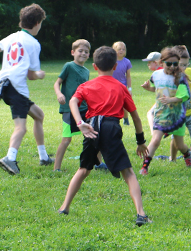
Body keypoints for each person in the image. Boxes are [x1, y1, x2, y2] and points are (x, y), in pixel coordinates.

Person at [57, 46, 150, 226]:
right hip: (111, 127)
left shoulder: (86, 86)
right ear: (115, 66)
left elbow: (72, 101)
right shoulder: (121, 88)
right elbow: (136, 118)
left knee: (83, 169)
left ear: (94, 66)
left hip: (91, 127)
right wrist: (140, 142)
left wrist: (79, 123)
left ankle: (64, 207)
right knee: (128, 172)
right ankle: (141, 214)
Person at [0, 3, 50, 175]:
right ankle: (9, 158)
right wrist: (40, 74)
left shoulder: (11, 37)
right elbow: (31, 75)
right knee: (21, 127)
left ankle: (44, 157)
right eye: (41, 23)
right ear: (36, 23)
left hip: (5, 84)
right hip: (17, 87)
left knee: (39, 115)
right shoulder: (33, 43)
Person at [139, 47, 191, 175]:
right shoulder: (156, 75)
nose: (172, 66)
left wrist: (171, 99)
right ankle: (145, 167)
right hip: (161, 114)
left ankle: (188, 154)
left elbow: (185, 95)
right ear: (161, 63)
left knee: (180, 145)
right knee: (155, 140)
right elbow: (157, 89)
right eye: (169, 63)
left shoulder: (181, 77)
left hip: (177, 117)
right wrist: (148, 88)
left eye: (175, 64)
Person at [52, 39, 91, 172]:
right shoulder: (68, 66)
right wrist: (59, 94)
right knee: (66, 140)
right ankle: (56, 168)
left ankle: (98, 164)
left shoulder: (86, 71)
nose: (83, 54)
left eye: (86, 52)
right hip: (68, 109)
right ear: (73, 52)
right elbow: (57, 83)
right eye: (80, 51)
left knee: (94, 135)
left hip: (84, 109)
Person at [167, 46, 191, 162]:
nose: (184, 68)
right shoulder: (170, 76)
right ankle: (172, 159)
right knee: (176, 139)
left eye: (186, 65)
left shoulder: (190, 72)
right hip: (178, 113)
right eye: (182, 64)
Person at [111, 41, 133, 125]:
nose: (121, 51)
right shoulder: (111, 61)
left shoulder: (127, 62)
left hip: (122, 86)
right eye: (119, 49)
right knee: (113, 103)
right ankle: (113, 119)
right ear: (114, 50)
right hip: (112, 86)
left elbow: (128, 76)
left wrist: (129, 88)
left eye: (123, 49)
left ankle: (126, 119)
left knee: (124, 104)